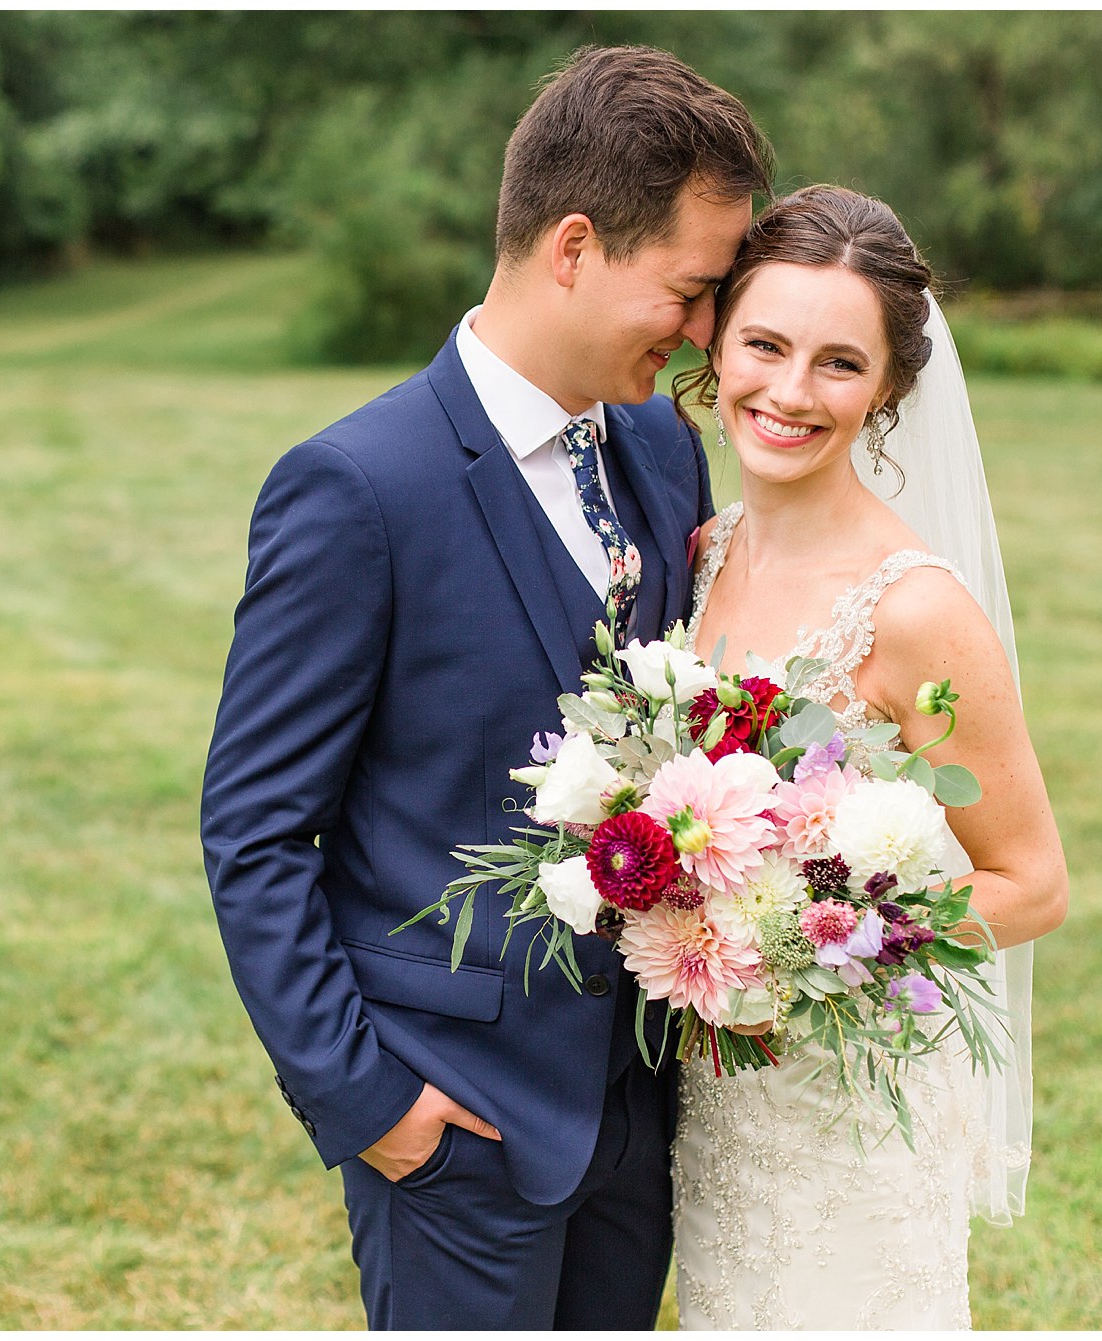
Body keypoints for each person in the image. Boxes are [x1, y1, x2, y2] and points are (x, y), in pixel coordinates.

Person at [200, 46, 770, 1330]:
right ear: (573, 247)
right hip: (449, 1121)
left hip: (636, 1114)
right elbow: (252, 831)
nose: (697, 337)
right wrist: (374, 1110)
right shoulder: (356, 489)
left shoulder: (660, 450)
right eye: (686, 292)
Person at [668, 184, 1070, 1329]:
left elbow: (1030, 882)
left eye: (838, 364)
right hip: (718, 1102)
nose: (788, 393)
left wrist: (800, 957)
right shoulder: (704, 551)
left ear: (889, 386)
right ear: (717, 341)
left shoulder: (915, 612)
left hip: (850, 1101)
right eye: (764, 344)